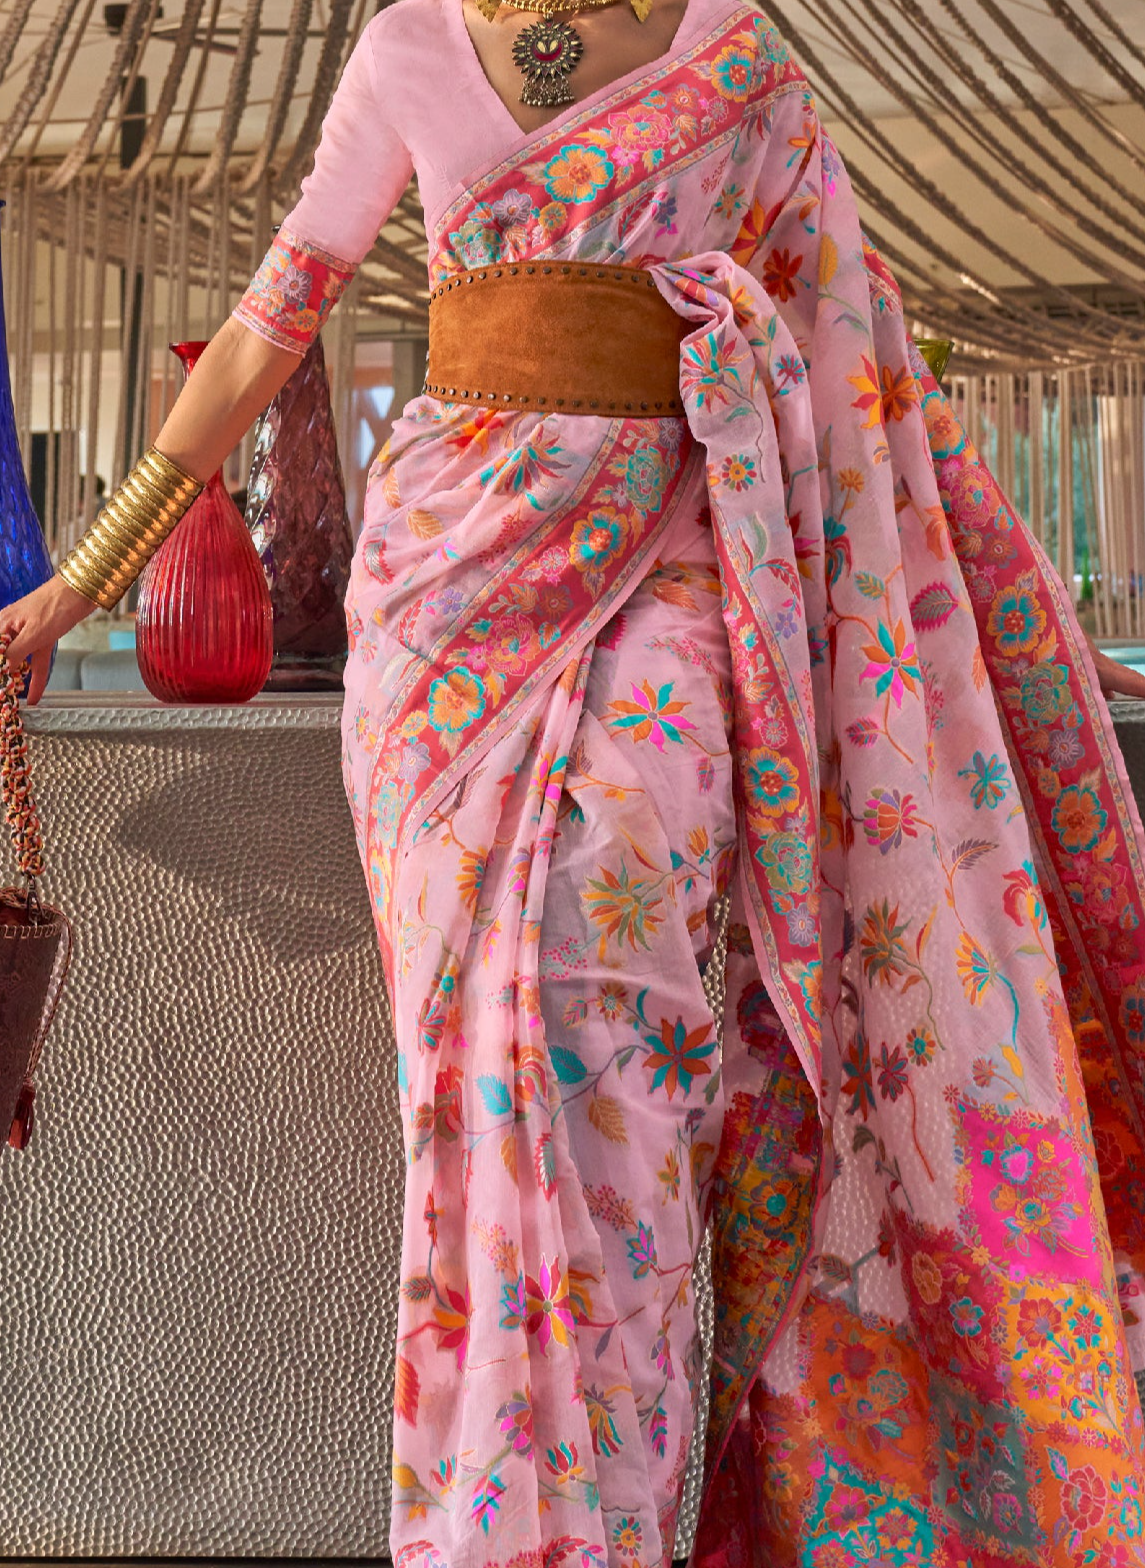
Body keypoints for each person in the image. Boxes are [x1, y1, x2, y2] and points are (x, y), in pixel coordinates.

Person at [8, 0, 1145, 1561]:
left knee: (610, 1028)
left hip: (674, 566)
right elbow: (278, 316)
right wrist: (79, 583)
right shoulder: (409, 43)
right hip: (444, 604)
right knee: (480, 1056)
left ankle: (611, 1508)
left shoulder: (731, 54)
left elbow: (843, 334)